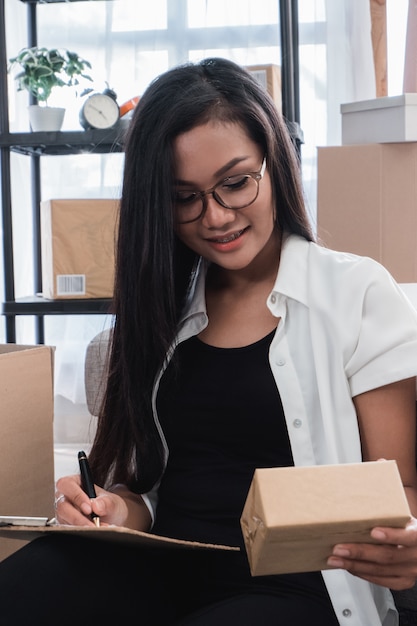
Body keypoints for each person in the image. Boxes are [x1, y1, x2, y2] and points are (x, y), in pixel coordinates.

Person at [1, 57, 417, 626]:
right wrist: (112, 508)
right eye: (183, 197)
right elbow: (146, 490)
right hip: (162, 568)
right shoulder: (158, 310)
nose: (216, 217)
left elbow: (402, 488)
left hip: (297, 589)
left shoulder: (356, 291)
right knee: (25, 587)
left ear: (276, 162)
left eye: (236, 183)